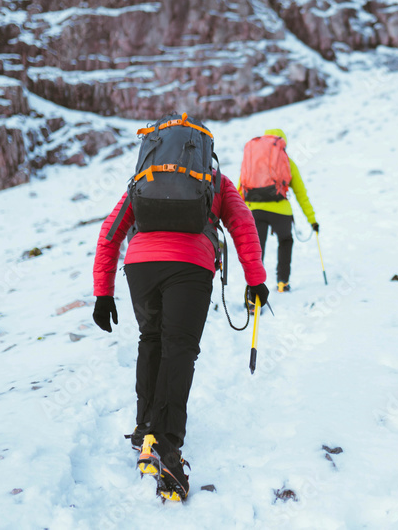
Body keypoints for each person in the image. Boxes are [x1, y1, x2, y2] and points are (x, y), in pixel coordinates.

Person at [92, 167, 269, 501]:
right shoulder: (214, 179)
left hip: (140, 265)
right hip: (191, 261)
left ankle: (145, 427)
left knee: (152, 339)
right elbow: (243, 226)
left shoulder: (148, 177)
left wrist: (103, 292)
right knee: (180, 347)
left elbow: (111, 230)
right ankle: (166, 445)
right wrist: (255, 278)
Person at [238, 128, 317, 293]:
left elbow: (240, 188)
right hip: (282, 212)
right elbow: (301, 194)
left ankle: (253, 295)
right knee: (285, 241)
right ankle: (283, 282)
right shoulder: (287, 161)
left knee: (257, 251)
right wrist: (312, 220)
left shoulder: (253, 160)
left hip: (255, 211)